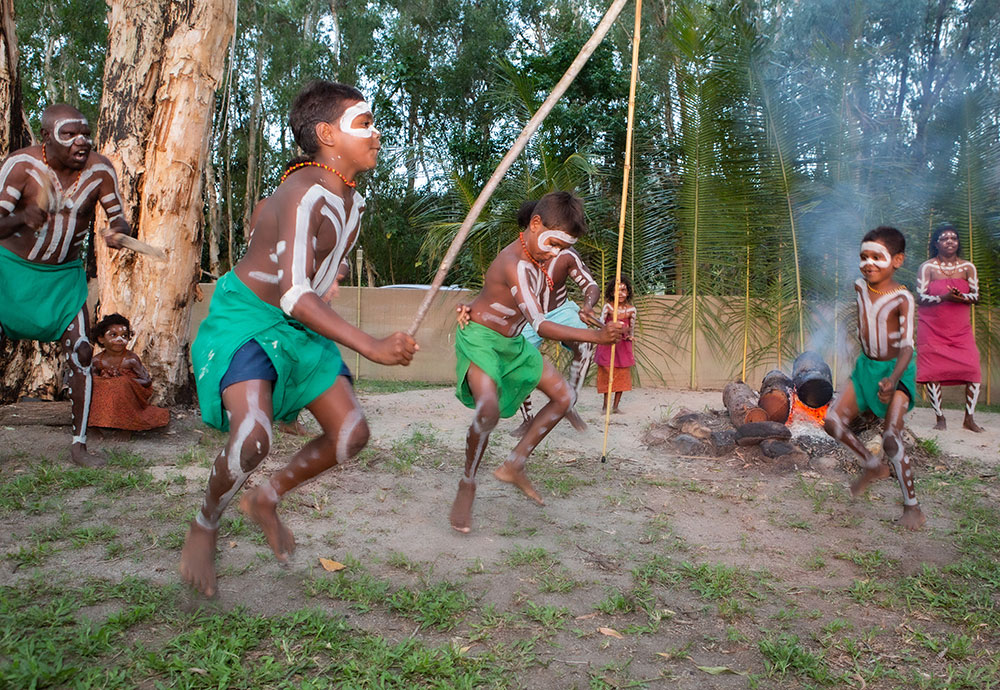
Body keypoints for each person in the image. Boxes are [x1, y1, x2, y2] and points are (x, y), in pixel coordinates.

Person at [180, 81, 418, 596]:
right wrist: (372, 345)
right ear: (327, 134)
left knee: (351, 434)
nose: (376, 134)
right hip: (248, 320)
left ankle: (266, 496)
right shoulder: (304, 190)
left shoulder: (350, 202)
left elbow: (316, 276)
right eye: (363, 124)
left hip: (300, 327)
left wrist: (331, 272)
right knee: (253, 438)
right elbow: (291, 294)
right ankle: (205, 522)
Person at [450, 191, 622, 533]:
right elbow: (540, 324)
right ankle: (467, 483)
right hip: (482, 340)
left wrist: (590, 310)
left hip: (514, 344)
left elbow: (570, 293)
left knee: (565, 397)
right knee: (488, 410)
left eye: (563, 248)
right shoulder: (515, 262)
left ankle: (515, 464)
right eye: (554, 243)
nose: (556, 254)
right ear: (536, 224)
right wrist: (598, 338)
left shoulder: (542, 256)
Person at [0, 104, 132, 467]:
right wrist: (20, 218)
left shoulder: (100, 169)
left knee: (83, 353)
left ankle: (79, 445)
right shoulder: (21, 166)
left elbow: (119, 217)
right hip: (11, 275)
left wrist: (119, 232)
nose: (81, 141)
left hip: (63, 279)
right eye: (69, 135)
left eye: (85, 133)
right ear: (46, 138)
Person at [823, 226, 926, 530]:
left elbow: (907, 346)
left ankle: (913, 508)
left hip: (898, 371)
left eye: (877, 257)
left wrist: (893, 378)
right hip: (867, 368)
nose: (868, 263)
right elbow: (865, 327)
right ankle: (871, 463)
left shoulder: (903, 298)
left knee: (892, 439)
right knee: (832, 422)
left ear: (897, 260)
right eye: (863, 256)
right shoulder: (859, 287)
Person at [915, 224, 984, 432]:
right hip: (932, 328)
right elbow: (920, 297)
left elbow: (976, 296)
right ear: (936, 243)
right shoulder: (928, 267)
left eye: (954, 238)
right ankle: (940, 418)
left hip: (960, 330)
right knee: (933, 372)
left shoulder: (968, 268)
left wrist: (961, 297)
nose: (950, 241)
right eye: (944, 238)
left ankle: (969, 418)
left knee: (973, 370)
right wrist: (943, 297)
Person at [89, 313, 169, 434]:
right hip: (107, 396)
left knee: (121, 384)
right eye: (113, 335)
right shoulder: (97, 361)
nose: (120, 339)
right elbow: (92, 380)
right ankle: (96, 425)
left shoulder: (130, 359)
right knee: (96, 385)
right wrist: (105, 380)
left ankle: (126, 428)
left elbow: (146, 381)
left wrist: (126, 381)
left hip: (130, 394)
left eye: (124, 336)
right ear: (101, 339)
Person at [595, 277, 637, 413]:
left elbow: (631, 327)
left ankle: (615, 406)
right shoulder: (608, 307)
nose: (621, 293)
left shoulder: (632, 310)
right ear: (612, 292)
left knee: (622, 375)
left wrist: (629, 335)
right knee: (607, 373)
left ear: (628, 292)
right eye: (617, 290)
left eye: (624, 290)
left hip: (623, 346)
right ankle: (605, 406)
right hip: (608, 344)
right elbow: (601, 323)